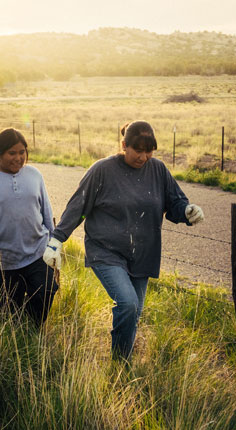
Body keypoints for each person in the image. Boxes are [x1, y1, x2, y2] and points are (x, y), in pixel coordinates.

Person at [44, 120, 204, 360]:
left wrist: (187, 212)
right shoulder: (103, 170)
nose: (143, 156)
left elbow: (175, 203)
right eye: (137, 150)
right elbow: (79, 206)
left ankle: (121, 362)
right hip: (106, 250)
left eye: (149, 150)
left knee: (134, 312)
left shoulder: (158, 170)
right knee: (128, 304)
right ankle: (120, 363)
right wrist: (56, 240)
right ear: (124, 145)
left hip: (143, 253)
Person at [0, 128, 58, 327]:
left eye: (22, 152)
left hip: (36, 253)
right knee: (5, 312)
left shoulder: (34, 175)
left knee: (47, 290)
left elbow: (46, 210)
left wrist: (54, 241)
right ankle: (15, 336)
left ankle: (31, 332)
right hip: (2, 260)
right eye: (12, 153)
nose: (18, 158)